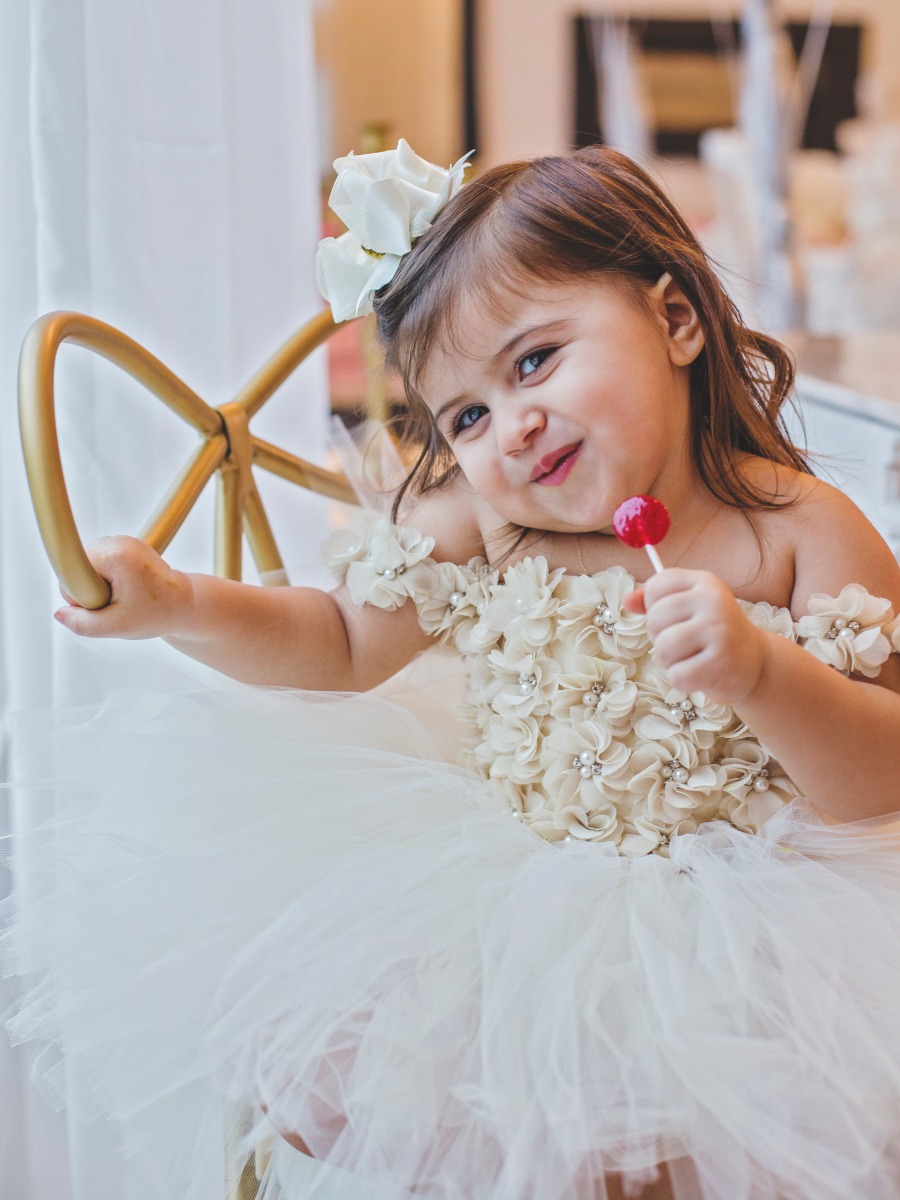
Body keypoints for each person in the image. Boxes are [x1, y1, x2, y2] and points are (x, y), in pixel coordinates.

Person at [6, 138, 900, 1200]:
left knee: (665, 1160)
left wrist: (761, 672)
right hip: (520, 903)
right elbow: (336, 642)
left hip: (748, 924)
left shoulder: (796, 530)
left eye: (533, 362)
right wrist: (179, 604)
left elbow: (879, 786)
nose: (509, 430)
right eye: (465, 416)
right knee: (382, 1092)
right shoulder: (490, 524)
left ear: (675, 320)